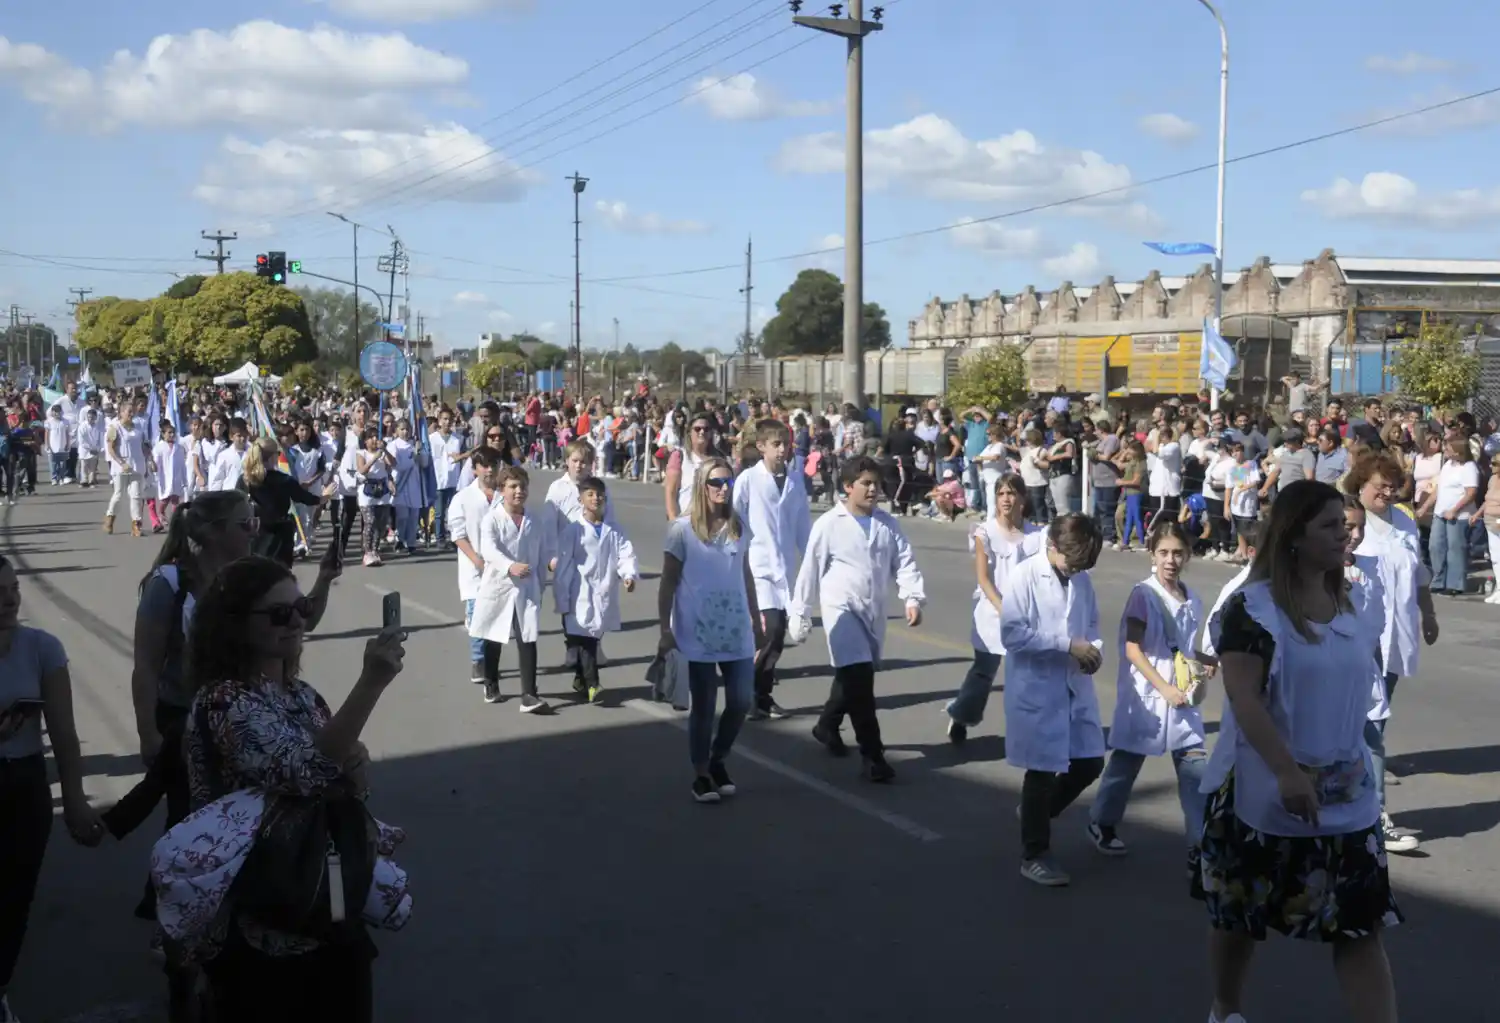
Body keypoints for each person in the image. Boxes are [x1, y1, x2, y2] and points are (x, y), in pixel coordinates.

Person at [1197, 480, 1401, 1023]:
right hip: (1268, 794)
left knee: (1360, 929)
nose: (1345, 534)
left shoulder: (1349, 601)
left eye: (1346, 524)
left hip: (1347, 799)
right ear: (1293, 536)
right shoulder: (1253, 609)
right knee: (1239, 919)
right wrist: (1287, 773)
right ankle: (1226, 1007)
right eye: (1331, 526)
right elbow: (1243, 696)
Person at [178, 556, 408, 1020]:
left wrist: (355, 772)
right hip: (263, 924)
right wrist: (372, 682)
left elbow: (340, 782)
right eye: (279, 613)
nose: (298, 620)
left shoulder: (300, 694)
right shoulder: (224, 701)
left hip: (326, 905)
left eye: (301, 607)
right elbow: (309, 770)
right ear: (236, 624)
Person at [0, 554, 105, 1023]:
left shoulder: (42, 648)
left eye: (13, 589)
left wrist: (77, 801)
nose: (8, 600)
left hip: (24, 786)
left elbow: (63, 731)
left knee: (14, 898)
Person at [791, 456, 926, 784]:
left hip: (873, 612)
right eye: (865, 483)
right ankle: (873, 755)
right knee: (860, 679)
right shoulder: (830, 524)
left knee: (853, 676)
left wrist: (912, 597)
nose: (872, 489)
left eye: (876, 483)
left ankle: (826, 724)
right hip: (841, 609)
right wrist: (800, 612)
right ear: (848, 487)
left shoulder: (887, 524)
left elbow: (904, 562)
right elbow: (810, 569)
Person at [1088, 518, 1214, 867]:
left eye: (1177, 553)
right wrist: (1164, 688)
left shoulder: (1192, 599)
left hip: (1182, 698)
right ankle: (1102, 823)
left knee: (1194, 769)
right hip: (1147, 696)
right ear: (1152, 555)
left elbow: (1183, 647)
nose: (1170, 560)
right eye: (1163, 553)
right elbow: (1133, 648)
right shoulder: (1143, 596)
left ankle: (1199, 845)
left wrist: (1204, 660)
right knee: (1126, 764)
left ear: (1187, 555)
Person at [999, 512, 1106, 887]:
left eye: (1083, 565)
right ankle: (1035, 854)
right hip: (1038, 687)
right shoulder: (1024, 576)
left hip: (1073, 685)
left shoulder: (1082, 580)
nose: (1076, 569)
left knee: (1090, 762)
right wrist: (1066, 646)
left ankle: (1036, 812)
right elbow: (1013, 635)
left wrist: (1093, 651)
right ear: (1052, 546)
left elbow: (1091, 626)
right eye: (1072, 561)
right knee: (1041, 771)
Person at [1345, 450, 1435, 853]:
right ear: (1359, 485)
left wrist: (1428, 613)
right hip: (1361, 640)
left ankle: (1356, 808)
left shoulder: (1403, 520)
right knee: (1370, 729)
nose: (1386, 493)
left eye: (1392, 487)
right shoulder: (1349, 525)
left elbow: (1417, 572)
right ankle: (1375, 814)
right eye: (1379, 486)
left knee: (1373, 725)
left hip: (1396, 636)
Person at [657, 457, 759, 803]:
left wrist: (756, 620)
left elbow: (745, 575)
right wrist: (664, 630)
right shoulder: (682, 530)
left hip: (736, 630)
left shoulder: (738, 527)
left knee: (741, 700)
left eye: (728, 482)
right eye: (716, 482)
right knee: (704, 707)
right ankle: (701, 774)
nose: (723, 488)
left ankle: (719, 758)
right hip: (696, 632)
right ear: (703, 487)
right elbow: (668, 582)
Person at [944, 474, 1043, 744]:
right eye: (1001, 494)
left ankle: (1025, 729)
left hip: (1026, 615)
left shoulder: (1038, 536)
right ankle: (961, 715)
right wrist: (1005, 609)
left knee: (1025, 675)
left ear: (1023, 498)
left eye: (1012, 493)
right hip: (992, 613)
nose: (1006, 499)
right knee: (984, 671)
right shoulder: (985, 532)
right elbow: (984, 579)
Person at [733, 419, 812, 720]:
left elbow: (803, 526)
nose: (782, 450)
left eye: (785, 444)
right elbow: (734, 519)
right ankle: (751, 694)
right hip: (757, 566)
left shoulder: (795, 482)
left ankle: (761, 697)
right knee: (770, 631)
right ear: (761, 447)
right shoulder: (748, 480)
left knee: (778, 638)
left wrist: (812, 559)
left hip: (785, 569)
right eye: (776, 444)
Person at [554, 476, 639, 705]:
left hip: (603, 592)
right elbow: (563, 566)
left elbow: (625, 554)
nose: (595, 498)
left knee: (590, 637)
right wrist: (561, 599)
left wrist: (628, 575)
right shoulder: (573, 531)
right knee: (587, 639)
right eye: (590, 494)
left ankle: (581, 679)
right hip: (578, 592)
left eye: (599, 494)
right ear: (581, 499)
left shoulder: (614, 529)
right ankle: (593, 684)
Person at [468, 466, 548, 710]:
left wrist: (540, 583)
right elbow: (488, 550)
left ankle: (529, 694)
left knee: (528, 637)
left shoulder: (534, 519)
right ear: (502, 490)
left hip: (526, 587)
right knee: (494, 636)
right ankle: (491, 683)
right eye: (513, 486)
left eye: (522, 486)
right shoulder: (492, 519)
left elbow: (540, 553)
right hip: (499, 586)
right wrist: (509, 565)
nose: (519, 491)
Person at [447, 446, 505, 691]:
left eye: (493, 464)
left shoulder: (506, 495)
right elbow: (458, 535)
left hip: (502, 568)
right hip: (475, 569)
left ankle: (491, 661)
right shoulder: (462, 498)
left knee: (498, 618)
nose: (489, 470)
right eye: (484, 465)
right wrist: (477, 559)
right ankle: (478, 661)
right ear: (475, 470)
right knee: (478, 615)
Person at [241, 437, 330, 568]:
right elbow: (305, 498)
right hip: (279, 535)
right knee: (280, 576)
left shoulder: (245, 480)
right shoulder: (284, 480)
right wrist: (323, 497)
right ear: (273, 456)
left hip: (254, 533)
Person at [104, 402, 151, 536]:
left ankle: (136, 524)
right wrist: (121, 462)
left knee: (136, 495)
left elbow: (144, 446)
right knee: (118, 495)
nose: (131, 414)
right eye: (128, 411)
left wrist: (149, 460)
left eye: (132, 411)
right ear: (121, 412)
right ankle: (110, 519)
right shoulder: (115, 427)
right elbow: (110, 449)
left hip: (137, 465)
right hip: (121, 467)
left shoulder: (138, 428)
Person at [353, 427, 396, 568]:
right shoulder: (361, 453)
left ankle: (375, 550)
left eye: (376, 437)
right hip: (367, 491)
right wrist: (374, 458)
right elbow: (362, 470)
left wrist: (385, 451)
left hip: (382, 491)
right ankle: (367, 552)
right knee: (369, 521)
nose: (374, 440)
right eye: (370, 437)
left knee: (381, 524)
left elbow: (393, 464)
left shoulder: (383, 453)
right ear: (365, 441)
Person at [663, 410, 718, 521]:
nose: (702, 432)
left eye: (706, 429)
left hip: (713, 523)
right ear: (689, 432)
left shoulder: (719, 458)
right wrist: (673, 519)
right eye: (697, 429)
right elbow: (671, 492)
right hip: (687, 522)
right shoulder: (680, 456)